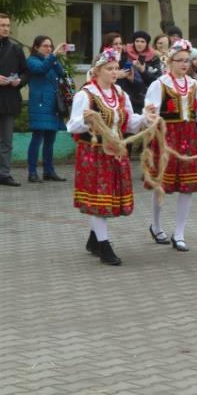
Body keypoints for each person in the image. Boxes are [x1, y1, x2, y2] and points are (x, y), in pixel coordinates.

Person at [66, 48, 157, 265]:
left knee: (107, 198)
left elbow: (129, 123)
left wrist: (146, 118)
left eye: (116, 68)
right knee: (100, 199)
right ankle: (104, 245)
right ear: (97, 71)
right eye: (109, 69)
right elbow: (72, 126)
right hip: (94, 152)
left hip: (115, 151)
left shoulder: (120, 94)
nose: (114, 72)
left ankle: (94, 239)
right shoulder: (86, 94)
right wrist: (89, 120)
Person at [144, 39, 197, 251]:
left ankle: (179, 232)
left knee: (188, 187)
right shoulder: (159, 84)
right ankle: (156, 225)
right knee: (161, 185)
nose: (184, 64)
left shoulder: (192, 84)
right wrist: (152, 117)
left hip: (188, 137)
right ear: (170, 61)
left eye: (187, 61)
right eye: (179, 60)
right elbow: (149, 113)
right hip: (166, 138)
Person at [26, 36, 68, 183]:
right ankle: (32, 172)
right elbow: (41, 70)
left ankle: (49, 171)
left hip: (52, 105)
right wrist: (53, 56)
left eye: (50, 46)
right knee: (37, 138)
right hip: (40, 104)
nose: (49, 49)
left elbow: (61, 73)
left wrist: (55, 58)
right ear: (36, 47)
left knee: (50, 139)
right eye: (45, 46)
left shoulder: (51, 59)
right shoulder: (32, 61)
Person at [0, 13, 28, 186]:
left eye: (7, 25)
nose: (6, 28)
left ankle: (4, 174)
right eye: (2, 25)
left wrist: (20, 81)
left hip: (8, 100)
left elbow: (26, 72)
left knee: (7, 141)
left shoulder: (16, 49)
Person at [126, 30, 163, 112]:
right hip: (129, 97)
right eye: (137, 41)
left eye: (142, 41)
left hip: (147, 98)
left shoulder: (154, 58)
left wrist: (143, 71)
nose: (139, 44)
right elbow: (123, 74)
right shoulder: (126, 55)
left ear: (147, 44)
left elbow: (157, 80)